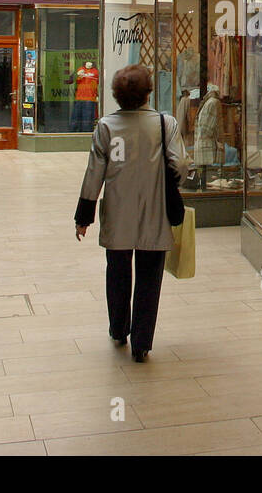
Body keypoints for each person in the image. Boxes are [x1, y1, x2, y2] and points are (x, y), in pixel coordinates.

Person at [74, 64, 187, 362]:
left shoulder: (106, 127)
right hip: (155, 213)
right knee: (150, 277)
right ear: (149, 91)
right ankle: (142, 343)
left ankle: (118, 329)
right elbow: (180, 166)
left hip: (118, 214)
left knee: (118, 272)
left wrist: (83, 217)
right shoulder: (165, 124)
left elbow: (93, 174)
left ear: (116, 94)